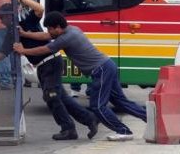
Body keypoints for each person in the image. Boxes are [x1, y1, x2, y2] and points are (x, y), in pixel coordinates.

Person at [0, 0, 99, 141]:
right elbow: (2, 53)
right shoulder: (11, 34)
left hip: (51, 62)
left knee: (52, 97)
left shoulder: (27, 22)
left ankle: (68, 128)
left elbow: (40, 8)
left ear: (11, 15)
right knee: (60, 97)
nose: (1, 20)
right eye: (0, 17)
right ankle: (90, 119)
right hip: (43, 67)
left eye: (3, 17)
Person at [14, 11, 147, 142]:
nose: (49, 32)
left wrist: (23, 51)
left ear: (58, 27)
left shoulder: (66, 38)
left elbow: (45, 49)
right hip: (107, 65)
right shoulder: (71, 30)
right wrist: (25, 34)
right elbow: (44, 36)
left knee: (98, 106)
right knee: (121, 102)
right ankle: (150, 118)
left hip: (100, 70)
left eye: (50, 29)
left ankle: (123, 131)